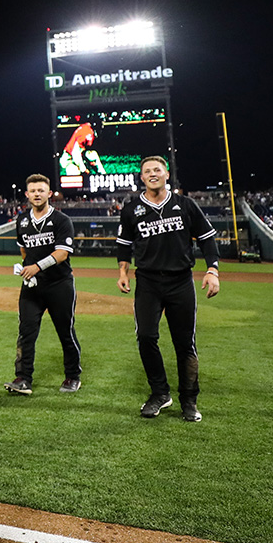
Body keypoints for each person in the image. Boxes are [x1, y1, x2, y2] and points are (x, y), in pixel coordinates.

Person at [116, 155, 220, 423]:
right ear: (142, 177)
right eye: (147, 171)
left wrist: (212, 270)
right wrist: (123, 272)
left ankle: (189, 400)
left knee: (185, 343)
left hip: (180, 281)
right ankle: (160, 393)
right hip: (148, 283)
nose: (152, 174)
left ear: (166, 174)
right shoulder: (131, 209)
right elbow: (124, 244)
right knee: (146, 337)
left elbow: (207, 238)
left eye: (157, 170)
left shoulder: (185, 204)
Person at [4, 173, 82, 395]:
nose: (37, 194)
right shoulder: (22, 220)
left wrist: (35, 267)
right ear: (27, 194)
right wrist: (25, 267)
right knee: (26, 332)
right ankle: (23, 378)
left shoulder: (61, 220)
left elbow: (62, 254)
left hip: (60, 285)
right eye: (33, 191)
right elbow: (24, 250)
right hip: (32, 287)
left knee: (65, 331)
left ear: (49, 194)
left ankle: (73, 376)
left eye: (41, 190)